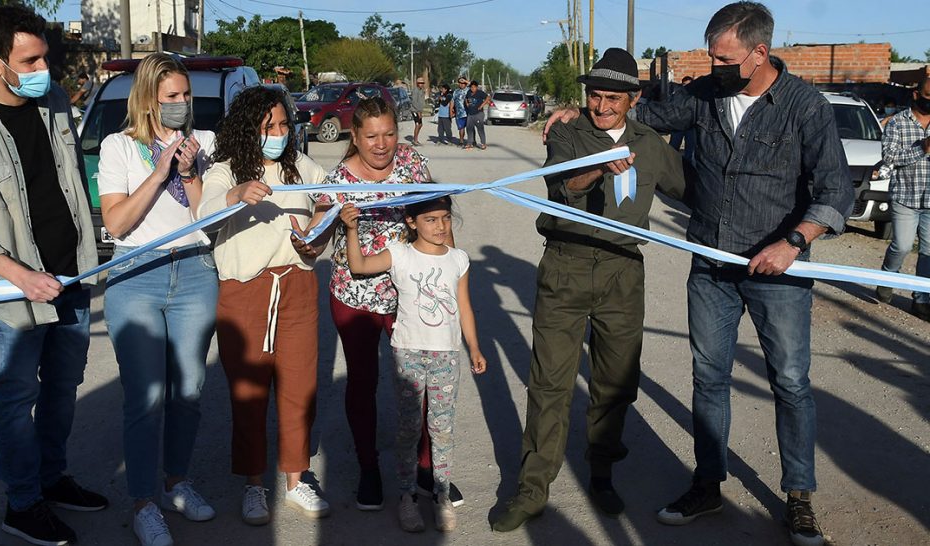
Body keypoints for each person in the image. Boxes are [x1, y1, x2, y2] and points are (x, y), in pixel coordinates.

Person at [543, 3, 853, 545]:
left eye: (724, 57)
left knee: (791, 382)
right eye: (711, 55)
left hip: (776, 271)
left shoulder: (805, 107)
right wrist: (579, 112)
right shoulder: (706, 95)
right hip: (710, 264)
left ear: (759, 53)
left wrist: (794, 243)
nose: (714, 66)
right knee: (709, 379)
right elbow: (636, 117)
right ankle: (708, 483)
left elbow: (835, 192)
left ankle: (798, 496)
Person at [489, 47, 688, 532]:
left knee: (615, 383)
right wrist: (602, 165)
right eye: (595, 97)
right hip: (566, 266)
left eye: (612, 99)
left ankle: (602, 472)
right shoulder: (566, 130)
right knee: (550, 384)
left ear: (633, 99)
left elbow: (694, 190)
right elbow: (564, 185)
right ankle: (533, 489)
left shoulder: (651, 143)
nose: (602, 107)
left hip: (623, 272)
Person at [0, 5, 107, 545]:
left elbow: (69, 181)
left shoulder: (54, 102)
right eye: (29, 59)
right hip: (15, 293)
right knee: (16, 397)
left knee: (63, 387)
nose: (45, 68)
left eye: (46, 57)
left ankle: (51, 478)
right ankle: (23, 502)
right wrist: (18, 274)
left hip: (70, 279)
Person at [315, 96, 465, 513]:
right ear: (355, 137)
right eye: (371, 136)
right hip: (355, 295)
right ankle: (369, 469)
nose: (382, 145)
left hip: (412, 295)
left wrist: (450, 273)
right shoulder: (336, 180)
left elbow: (436, 215)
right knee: (363, 382)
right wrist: (313, 227)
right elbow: (315, 236)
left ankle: (426, 470)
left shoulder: (413, 165)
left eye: (389, 134)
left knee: (416, 385)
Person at [97, 53, 217, 546]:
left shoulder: (204, 143)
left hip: (194, 272)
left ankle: (176, 483)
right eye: (172, 97)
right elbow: (117, 223)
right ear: (148, 98)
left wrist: (188, 172)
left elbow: (205, 217)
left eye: (186, 96)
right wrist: (159, 168)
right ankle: (144, 501)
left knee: (188, 391)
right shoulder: (117, 147)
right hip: (136, 273)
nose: (182, 104)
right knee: (145, 397)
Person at [196, 86, 331, 524]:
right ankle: (255, 485)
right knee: (250, 393)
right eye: (267, 126)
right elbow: (205, 215)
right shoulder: (224, 171)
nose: (277, 133)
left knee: (299, 388)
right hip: (245, 293)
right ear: (246, 128)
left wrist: (317, 235)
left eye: (283, 125)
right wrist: (236, 195)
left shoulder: (301, 166)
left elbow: (327, 205)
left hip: (297, 288)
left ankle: (295, 480)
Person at [339, 196, 486, 533]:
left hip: (446, 355)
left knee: (442, 429)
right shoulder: (400, 254)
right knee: (409, 429)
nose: (440, 226)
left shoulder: (459, 260)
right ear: (411, 222)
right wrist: (351, 229)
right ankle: (407, 497)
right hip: (408, 353)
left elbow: (465, 307)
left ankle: (442, 495)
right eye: (431, 220)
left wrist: (474, 347)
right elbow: (359, 266)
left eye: (445, 218)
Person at [874, 75, 930, 321]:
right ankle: (887, 277)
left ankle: (922, 300)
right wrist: (923, 148)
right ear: (917, 95)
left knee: (928, 253)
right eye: (929, 97)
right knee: (903, 245)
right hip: (905, 197)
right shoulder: (897, 123)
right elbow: (890, 158)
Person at [668, 75, 696, 162]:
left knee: (690, 148)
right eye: (684, 84)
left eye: (689, 85)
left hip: (690, 125)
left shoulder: (695, 97)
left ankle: (688, 167)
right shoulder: (677, 96)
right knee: (673, 145)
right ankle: (670, 163)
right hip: (678, 124)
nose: (687, 87)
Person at [463, 80, 489, 150]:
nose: (472, 89)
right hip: (470, 114)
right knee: (469, 129)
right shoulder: (469, 92)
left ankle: (483, 143)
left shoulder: (480, 93)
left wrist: (482, 105)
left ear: (476, 87)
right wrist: (467, 103)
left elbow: (487, 98)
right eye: (471, 87)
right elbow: (466, 98)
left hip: (478, 113)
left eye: (474, 87)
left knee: (480, 129)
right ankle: (469, 143)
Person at [450, 77, 469, 146]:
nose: (461, 84)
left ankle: (472, 141)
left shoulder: (469, 90)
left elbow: (475, 88)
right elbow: (452, 101)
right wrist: (451, 111)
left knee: (470, 128)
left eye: (463, 83)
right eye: (460, 83)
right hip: (459, 113)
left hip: (468, 113)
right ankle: (461, 141)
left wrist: (466, 81)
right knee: (461, 128)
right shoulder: (456, 91)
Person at [410, 77, 426, 146]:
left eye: (422, 83)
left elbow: (421, 101)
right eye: (420, 83)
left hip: (419, 110)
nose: (421, 84)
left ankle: (415, 138)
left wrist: (421, 110)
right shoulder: (415, 91)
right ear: (417, 83)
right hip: (414, 110)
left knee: (420, 124)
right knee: (417, 124)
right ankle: (415, 140)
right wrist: (418, 111)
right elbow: (414, 102)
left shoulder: (421, 90)